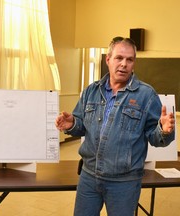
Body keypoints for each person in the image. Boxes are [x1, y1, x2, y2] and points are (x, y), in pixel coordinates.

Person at [55, 36, 175, 216]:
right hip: (89, 177)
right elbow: (81, 126)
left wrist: (163, 131)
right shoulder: (91, 91)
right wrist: (71, 124)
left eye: (130, 59)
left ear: (134, 63)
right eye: (119, 58)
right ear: (108, 59)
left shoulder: (146, 95)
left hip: (124, 182)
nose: (124, 64)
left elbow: (155, 137)